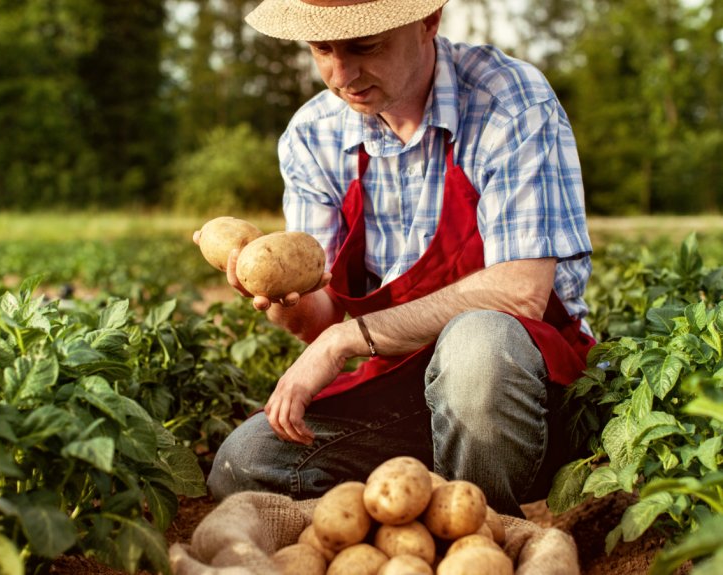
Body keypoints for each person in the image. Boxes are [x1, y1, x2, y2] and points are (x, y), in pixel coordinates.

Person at [200, 0, 596, 517]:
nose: (342, 75)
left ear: (428, 22)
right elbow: (317, 316)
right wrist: (280, 298)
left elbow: (518, 291)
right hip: (404, 387)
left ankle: (480, 526)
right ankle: (412, 507)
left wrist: (347, 338)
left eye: (365, 46)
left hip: (526, 393)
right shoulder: (312, 135)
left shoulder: (508, 101)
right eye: (323, 49)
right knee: (247, 462)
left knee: (478, 345)